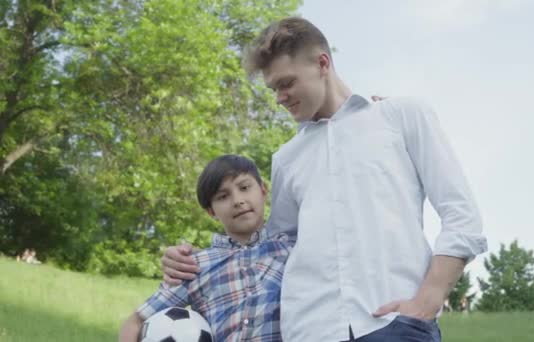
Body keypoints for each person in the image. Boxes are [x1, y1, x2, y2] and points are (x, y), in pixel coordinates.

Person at [161, 17, 487, 341]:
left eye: (287, 83)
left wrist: (426, 302)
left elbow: (462, 216)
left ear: (322, 63)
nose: (280, 98)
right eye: (273, 89)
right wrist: (193, 262)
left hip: (393, 323)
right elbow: (271, 247)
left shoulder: (400, 116)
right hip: (307, 330)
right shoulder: (286, 158)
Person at [119, 155, 292, 342]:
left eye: (244, 188)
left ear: (263, 190)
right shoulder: (195, 265)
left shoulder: (290, 252)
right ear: (211, 211)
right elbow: (135, 322)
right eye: (223, 196)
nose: (238, 200)